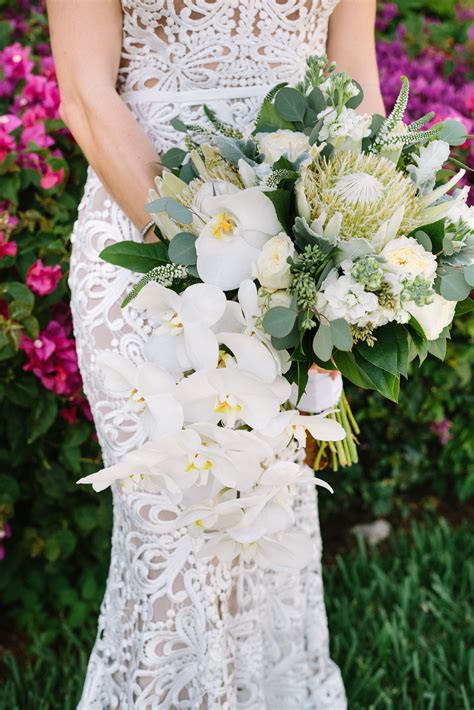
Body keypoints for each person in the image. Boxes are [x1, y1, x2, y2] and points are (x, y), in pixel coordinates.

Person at [46, 2, 385, 708]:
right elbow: (84, 92)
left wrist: (359, 257)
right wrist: (205, 262)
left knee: (268, 522)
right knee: (169, 528)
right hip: (148, 245)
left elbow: (354, 78)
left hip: (298, 251)